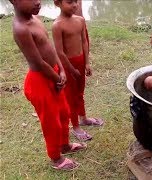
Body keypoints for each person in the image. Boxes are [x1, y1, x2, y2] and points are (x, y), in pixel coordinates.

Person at [10, 0, 86, 170]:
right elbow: (37, 62)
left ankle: (65, 145)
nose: (38, 2)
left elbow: (50, 48)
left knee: (64, 113)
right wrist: (56, 78)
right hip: (40, 82)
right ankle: (56, 158)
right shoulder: (21, 29)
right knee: (51, 123)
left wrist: (61, 71)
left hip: (54, 75)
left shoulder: (35, 19)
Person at [52, 0, 103, 142]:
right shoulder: (57, 25)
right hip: (68, 65)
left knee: (80, 92)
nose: (75, 5)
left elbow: (84, 42)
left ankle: (83, 118)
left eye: (76, 1)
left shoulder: (80, 20)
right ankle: (75, 126)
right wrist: (70, 69)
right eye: (69, 2)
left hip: (81, 61)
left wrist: (87, 62)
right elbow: (60, 52)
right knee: (71, 96)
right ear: (58, 3)